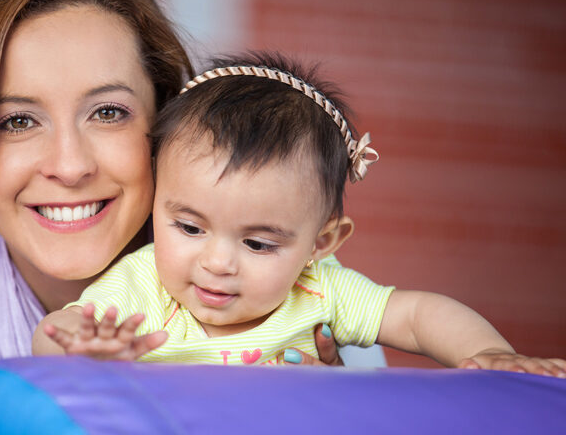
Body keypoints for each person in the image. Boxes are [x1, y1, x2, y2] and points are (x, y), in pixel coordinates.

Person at [0, 0, 344, 434]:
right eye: (17, 121)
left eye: (108, 113)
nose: (71, 165)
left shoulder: (289, 275)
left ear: (164, 123)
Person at [33, 53, 566, 375]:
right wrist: (83, 347)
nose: (218, 262)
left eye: (259, 244)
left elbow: (420, 315)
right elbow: (54, 331)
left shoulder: (320, 290)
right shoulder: (142, 286)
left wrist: (492, 355)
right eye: (189, 227)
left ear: (322, 242)